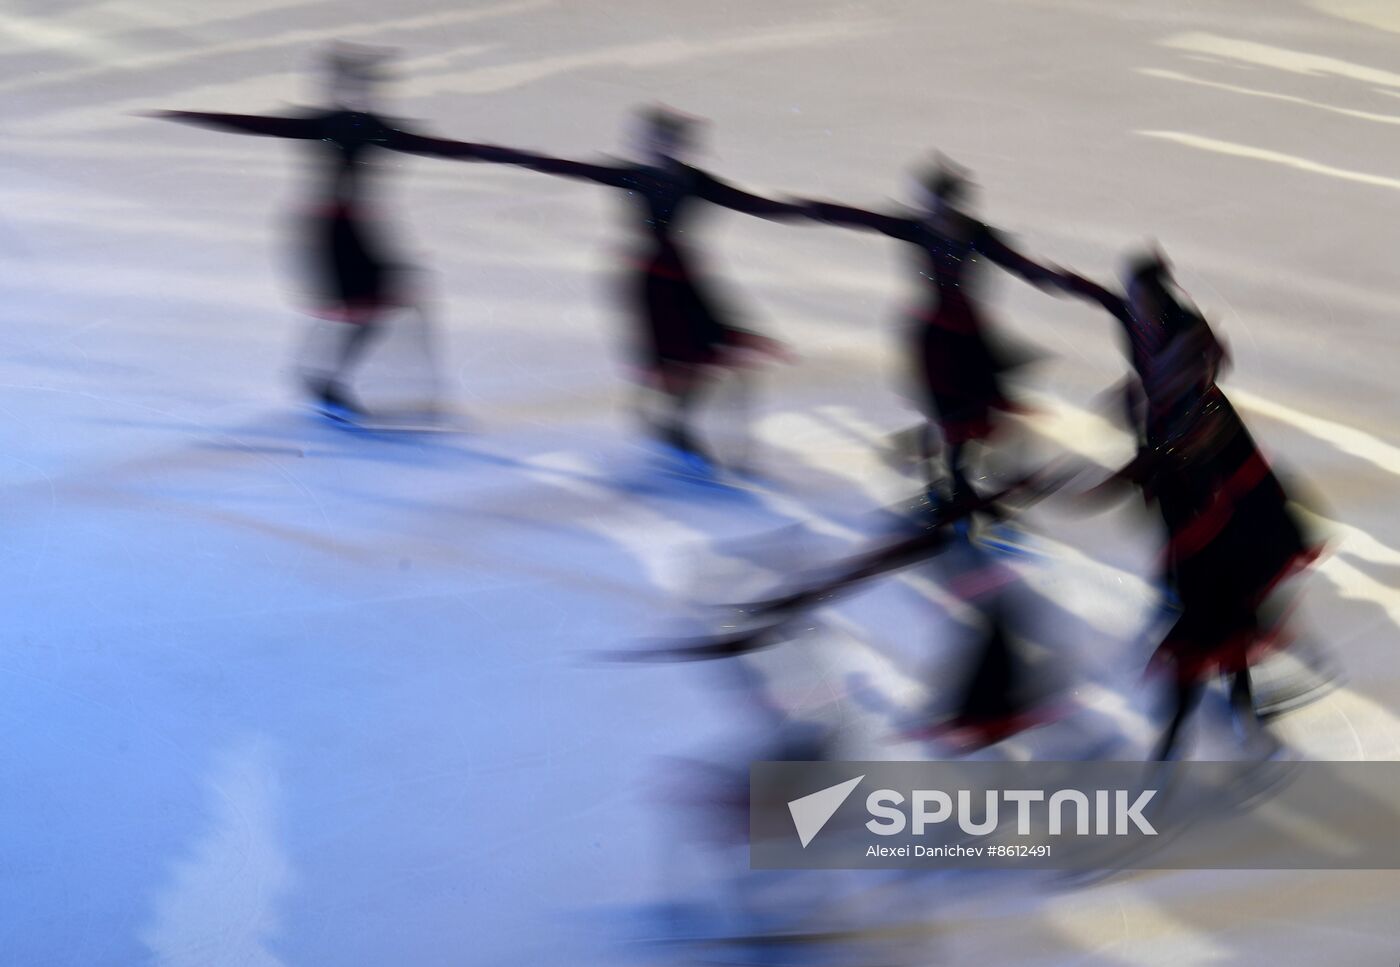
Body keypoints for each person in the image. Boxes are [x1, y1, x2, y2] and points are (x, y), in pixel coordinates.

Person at [148, 43, 510, 416]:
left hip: (355, 227)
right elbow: (254, 125)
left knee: (381, 301)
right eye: (354, 84)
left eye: (364, 85)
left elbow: (440, 148)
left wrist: (512, 156)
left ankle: (327, 378)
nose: (360, 93)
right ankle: (326, 379)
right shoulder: (335, 127)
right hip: (332, 231)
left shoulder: (360, 128)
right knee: (366, 305)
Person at [1058, 251, 1318, 760]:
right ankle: (1237, 702)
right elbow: (1106, 300)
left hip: (1200, 503)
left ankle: (1218, 709)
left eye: (1140, 293)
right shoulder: (1143, 327)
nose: (1134, 301)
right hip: (1184, 489)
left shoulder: (1196, 391)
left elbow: (1208, 369)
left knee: (1215, 611)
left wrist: (1111, 480)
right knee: (1218, 612)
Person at [467, 106, 804, 468]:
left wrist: (808, 210)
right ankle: (671, 419)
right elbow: (571, 168)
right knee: (676, 359)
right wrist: (519, 157)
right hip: (651, 281)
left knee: (703, 354)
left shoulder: (695, 181)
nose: (663, 147)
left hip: (684, 277)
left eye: (670, 141)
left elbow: (753, 204)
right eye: (659, 140)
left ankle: (676, 418)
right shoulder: (634, 177)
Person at [798, 159, 1060, 504]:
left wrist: (1058, 280)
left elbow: (1018, 263)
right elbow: (869, 219)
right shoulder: (920, 228)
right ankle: (948, 479)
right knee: (947, 413)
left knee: (969, 412)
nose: (935, 208)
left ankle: (956, 475)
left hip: (968, 335)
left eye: (940, 201)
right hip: (936, 337)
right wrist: (819, 210)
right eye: (932, 202)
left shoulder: (975, 233)